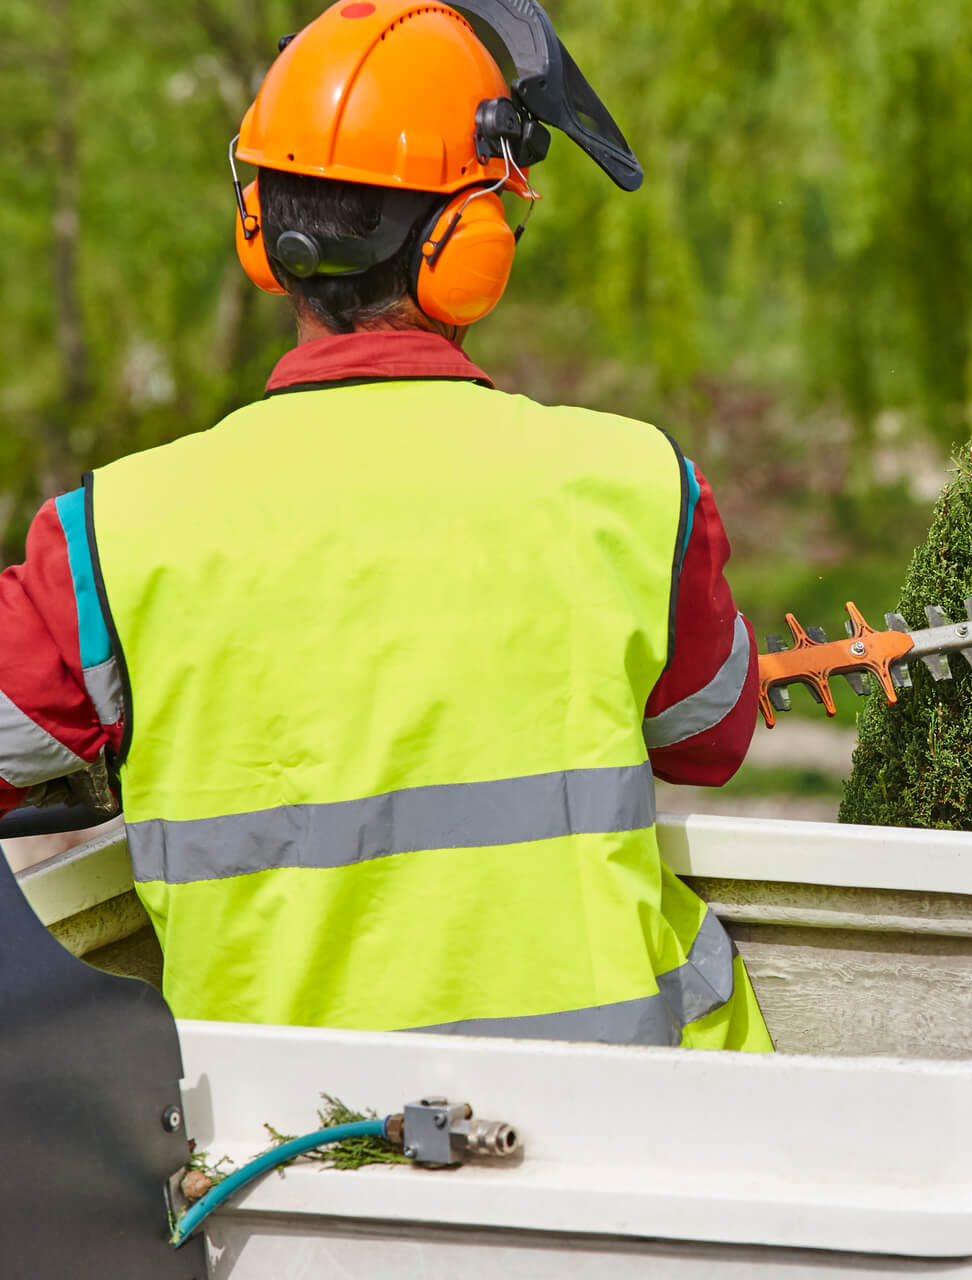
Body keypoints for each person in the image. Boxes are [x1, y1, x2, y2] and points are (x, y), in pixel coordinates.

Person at [0, 0, 771, 1051]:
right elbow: (712, 734)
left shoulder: (113, 534)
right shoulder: (634, 485)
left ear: (259, 233)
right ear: (474, 246)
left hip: (269, 1154)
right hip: (622, 1131)